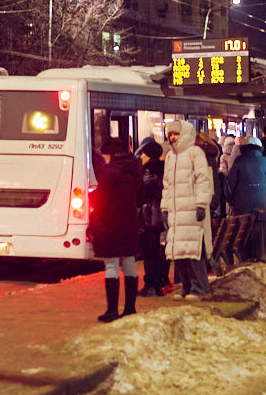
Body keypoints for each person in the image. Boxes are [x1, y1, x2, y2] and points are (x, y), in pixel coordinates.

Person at [89, 138, 142, 322]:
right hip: (129, 224)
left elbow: (102, 199)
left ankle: (112, 310)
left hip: (110, 224)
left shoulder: (109, 172)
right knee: (129, 264)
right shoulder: (135, 170)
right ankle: (130, 308)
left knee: (111, 266)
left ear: (110, 154)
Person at [161, 120, 213, 300]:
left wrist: (200, 204)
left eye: (176, 134)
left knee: (192, 251)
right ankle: (187, 287)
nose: (173, 138)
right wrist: (165, 207)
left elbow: (202, 179)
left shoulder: (194, 153)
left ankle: (200, 288)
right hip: (176, 213)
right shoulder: (170, 157)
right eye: (170, 135)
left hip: (190, 211)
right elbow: (166, 184)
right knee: (179, 252)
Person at [226, 135, 266, 261]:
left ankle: (245, 258)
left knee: (244, 230)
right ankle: (259, 256)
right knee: (260, 228)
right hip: (262, 201)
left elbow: (230, 183)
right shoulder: (265, 161)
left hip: (242, 202)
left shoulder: (239, 161)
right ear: (260, 148)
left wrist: (231, 200)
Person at [135, 138, 169, 298]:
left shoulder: (148, 173)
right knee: (155, 252)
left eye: (143, 154)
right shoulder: (163, 170)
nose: (141, 157)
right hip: (158, 217)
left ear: (149, 155)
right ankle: (157, 284)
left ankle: (150, 285)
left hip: (149, 217)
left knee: (149, 254)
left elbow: (139, 195)